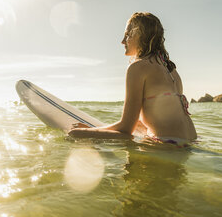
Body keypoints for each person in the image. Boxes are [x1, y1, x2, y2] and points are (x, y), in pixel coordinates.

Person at [68, 12, 197, 144]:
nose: (122, 41)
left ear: (140, 35)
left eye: (127, 35)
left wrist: (92, 130)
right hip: (191, 143)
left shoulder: (138, 67)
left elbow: (125, 129)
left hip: (169, 145)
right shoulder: (171, 69)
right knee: (138, 125)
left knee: (73, 134)